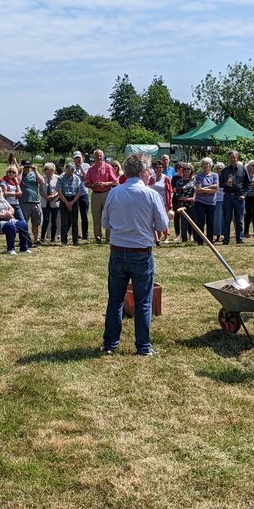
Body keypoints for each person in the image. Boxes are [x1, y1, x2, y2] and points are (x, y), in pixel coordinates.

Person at [101, 152, 169, 357]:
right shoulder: (150, 195)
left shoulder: (115, 193)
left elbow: (106, 223)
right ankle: (143, 347)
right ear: (143, 171)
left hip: (118, 252)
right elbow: (163, 225)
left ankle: (110, 344)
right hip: (141, 253)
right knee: (143, 301)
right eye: (149, 170)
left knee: (115, 300)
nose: (151, 173)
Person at [0, 183, 31, 254]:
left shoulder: (2, 199)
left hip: (8, 219)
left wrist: (10, 212)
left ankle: (24, 248)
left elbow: (11, 208)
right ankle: (10, 249)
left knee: (23, 225)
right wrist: (5, 214)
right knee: (10, 227)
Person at [85, 149, 119, 243]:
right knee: (96, 217)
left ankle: (109, 238)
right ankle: (98, 237)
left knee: (108, 216)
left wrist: (105, 184)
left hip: (107, 193)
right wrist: (92, 185)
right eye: (97, 156)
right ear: (94, 157)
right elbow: (86, 183)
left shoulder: (108, 167)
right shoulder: (91, 169)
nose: (99, 157)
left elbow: (115, 181)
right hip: (95, 194)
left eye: (100, 156)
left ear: (103, 156)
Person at [218, 150, 249, 244]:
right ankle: (226, 239)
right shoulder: (225, 170)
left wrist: (244, 195)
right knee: (227, 219)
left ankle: (239, 239)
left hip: (239, 197)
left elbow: (247, 184)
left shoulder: (243, 169)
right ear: (229, 159)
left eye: (234, 157)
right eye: (230, 157)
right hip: (228, 197)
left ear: (237, 158)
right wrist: (226, 184)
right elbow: (220, 184)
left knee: (239, 220)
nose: (232, 159)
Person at [192, 157, 219, 243]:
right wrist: (211, 187)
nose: (205, 166)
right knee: (200, 221)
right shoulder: (199, 176)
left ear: (210, 165)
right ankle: (200, 240)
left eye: (207, 164)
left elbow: (216, 189)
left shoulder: (215, 175)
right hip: (200, 202)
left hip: (211, 202)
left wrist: (204, 188)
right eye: (203, 164)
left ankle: (209, 240)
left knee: (210, 222)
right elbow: (198, 190)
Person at [58, 161, 84, 245]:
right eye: (69, 172)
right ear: (66, 170)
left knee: (75, 221)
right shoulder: (60, 178)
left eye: (72, 172)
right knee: (64, 221)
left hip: (74, 199)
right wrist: (66, 203)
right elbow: (59, 191)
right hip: (64, 199)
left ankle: (75, 240)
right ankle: (64, 241)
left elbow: (79, 191)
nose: (71, 175)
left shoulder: (77, 178)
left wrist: (72, 202)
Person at [171, 162, 196, 243]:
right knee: (183, 223)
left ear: (191, 170)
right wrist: (188, 199)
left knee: (194, 221)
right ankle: (184, 239)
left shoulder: (194, 180)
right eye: (184, 169)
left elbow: (197, 192)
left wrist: (194, 198)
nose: (186, 170)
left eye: (188, 169)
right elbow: (177, 194)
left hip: (193, 204)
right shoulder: (179, 181)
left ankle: (195, 238)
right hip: (182, 204)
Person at [150, 158, 173, 243]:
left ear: (163, 168)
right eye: (157, 167)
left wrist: (170, 202)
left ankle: (166, 236)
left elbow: (170, 191)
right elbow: (148, 188)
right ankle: (158, 237)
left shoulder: (166, 178)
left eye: (160, 167)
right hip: (155, 202)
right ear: (155, 169)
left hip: (164, 202)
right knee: (156, 219)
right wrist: (152, 183)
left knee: (165, 219)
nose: (159, 169)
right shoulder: (152, 178)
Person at [22, 159, 45, 239]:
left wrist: (36, 171)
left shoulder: (34, 174)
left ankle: (36, 239)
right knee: (24, 223)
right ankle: (25, 239)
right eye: (25, 167)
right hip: (24, 202)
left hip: (35, 201)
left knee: (36, 222)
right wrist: (21, 171)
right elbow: (17, 182)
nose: (27, 168)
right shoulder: (19, 175)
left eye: (29, 167)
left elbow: (42, 182)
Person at [70, 151, 91, 239]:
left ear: (81, 157)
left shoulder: (86, 166)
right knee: (74, 216)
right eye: (76, 158)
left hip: (84, 194)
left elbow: (86, 177)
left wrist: (80, 167)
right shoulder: (71, 167)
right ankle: (75, 234)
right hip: (74, 194)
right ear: (73, 159)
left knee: (84, 216)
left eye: (79, 157)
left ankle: (85, 235)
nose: (78, 159)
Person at [41, 162, 60, 244]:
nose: (47, 171)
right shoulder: (42, 179)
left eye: (48, 169)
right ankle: (42, 238)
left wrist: (53, 196)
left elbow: (59, 190)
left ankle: (53, 238)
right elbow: (40, 190)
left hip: (55, 201)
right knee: (46, 219)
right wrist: (45, 196)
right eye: (45, 169)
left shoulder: (58, 178)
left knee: (54, 220)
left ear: (52, 170)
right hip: (45, 202)